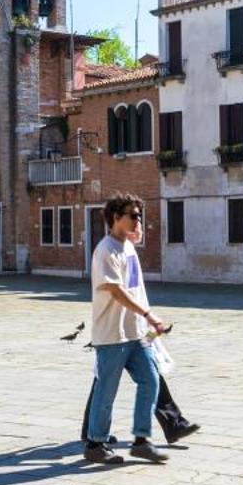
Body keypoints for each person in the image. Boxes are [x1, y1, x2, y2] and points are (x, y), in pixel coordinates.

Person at [84, 193, 170, 466]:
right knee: (106, 391)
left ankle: (142, 440)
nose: (138, 220)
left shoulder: (128, 247)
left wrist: (146, 322)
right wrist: (148, 314)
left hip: (136, 333)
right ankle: (96, 444)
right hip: (111, 335)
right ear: (115, 218)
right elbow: (116, 290)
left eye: (139, 215)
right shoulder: (105, 250)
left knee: (151, 379)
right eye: (133, 215)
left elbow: (133, 285)